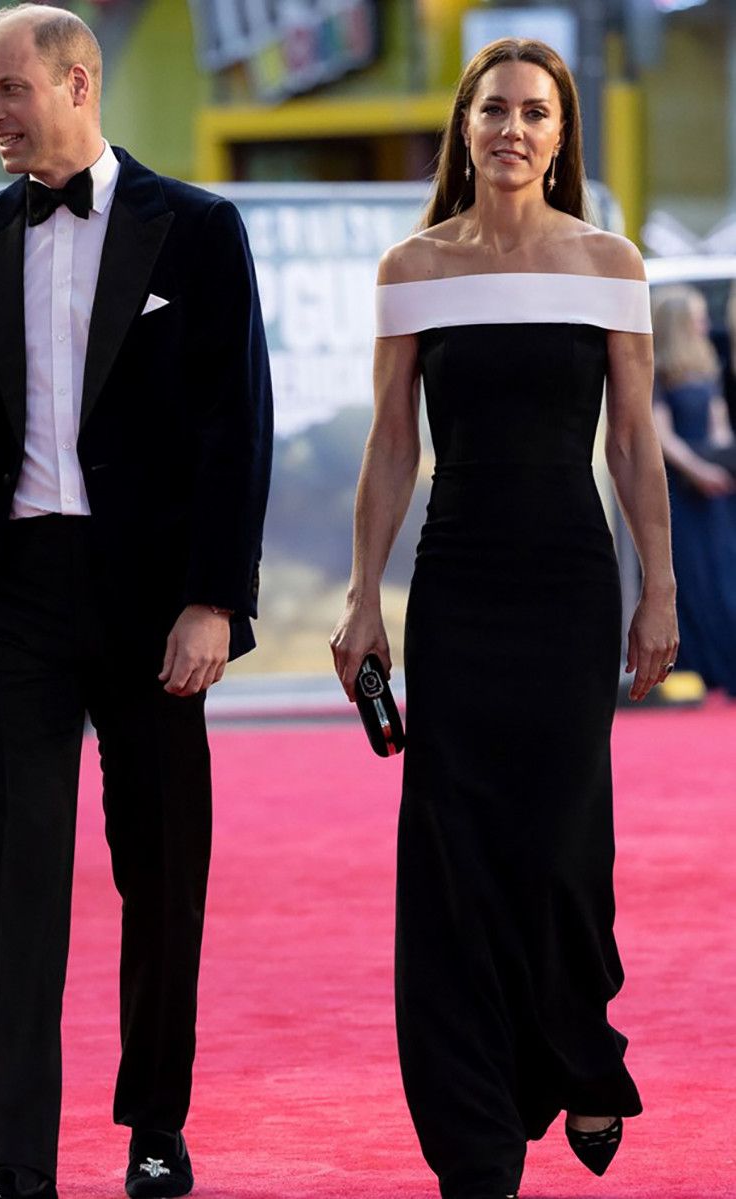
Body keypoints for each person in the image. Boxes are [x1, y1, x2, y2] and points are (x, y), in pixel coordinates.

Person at [0, 6, 272, 1199]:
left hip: (155, 601)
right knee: (17, 882)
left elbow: (235, 427)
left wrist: (215, 599)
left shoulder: (197, 229)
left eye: (9, 87)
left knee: (160, 869)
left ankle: (156, 1126)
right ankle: (19, 1159)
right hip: (10, 595)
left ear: (77, 81)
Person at [330, 38, 678, 1199]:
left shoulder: (609, 262)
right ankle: (474, 1130)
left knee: (567, 835)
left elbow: (634, 440)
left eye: (535, 111)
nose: (513, 129)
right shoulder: (415, 266)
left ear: (562, 131)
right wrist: (362, 595)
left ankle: (579, 1047)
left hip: (571, 584)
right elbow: (392, 441)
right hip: (459, 586)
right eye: (494, 110)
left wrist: (661, 587)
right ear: (465, 128)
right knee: (455, 843)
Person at [652, 286, 736, 695]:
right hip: (683, 491)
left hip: (715, 491)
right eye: (697, 318)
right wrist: (699, 469)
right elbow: (662, 435)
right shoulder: (659, 370)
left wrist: (721, 461)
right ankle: (695, 669)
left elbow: (720, 425)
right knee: (692, 576)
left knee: (723, 572)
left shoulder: (706, 365)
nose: (705, 325)